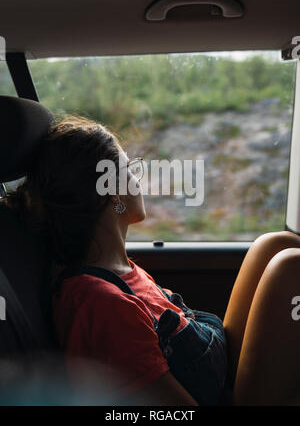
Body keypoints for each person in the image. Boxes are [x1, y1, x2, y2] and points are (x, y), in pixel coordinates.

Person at [4, 114, 300, 406]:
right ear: (111, 192)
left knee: (275, 244)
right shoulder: (101, 304)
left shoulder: (120, 272)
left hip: (217, 377)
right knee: (290, 268)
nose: (138, 177)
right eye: (130, 168)